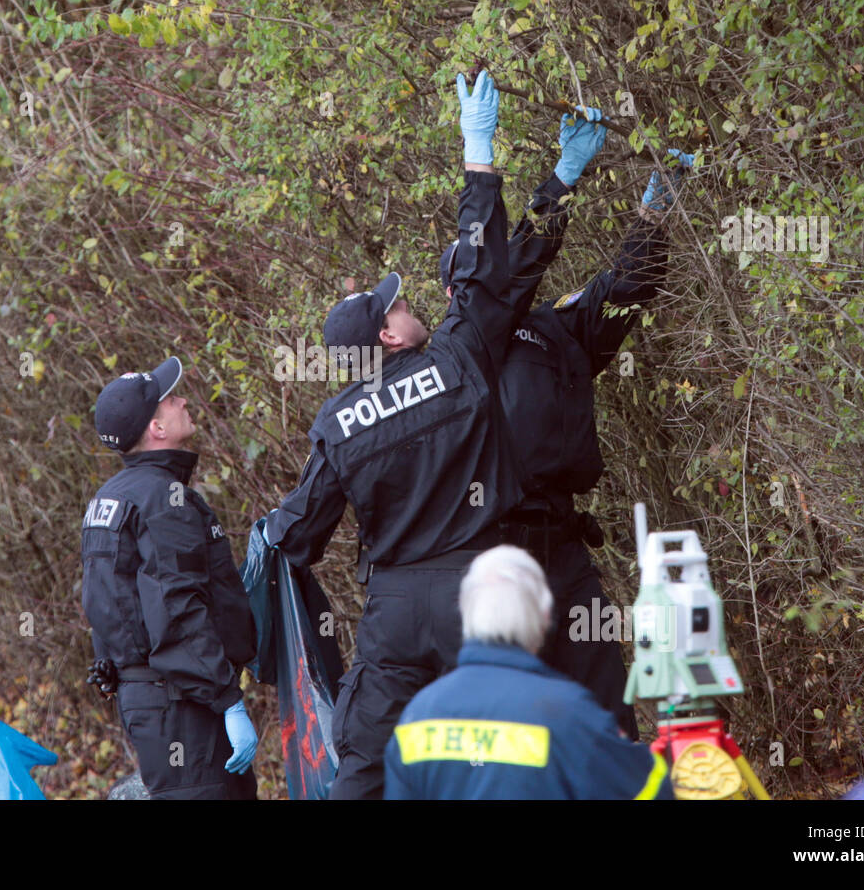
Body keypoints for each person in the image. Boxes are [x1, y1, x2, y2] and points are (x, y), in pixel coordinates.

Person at [263, 71, 609, 800]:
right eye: (399, 305)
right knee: (498, 751)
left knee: (362, 762)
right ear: (389, 334)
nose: (413, 302)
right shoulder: (457, 362)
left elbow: (298, 537)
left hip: (392, 612)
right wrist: (478, 151)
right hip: (469, 590)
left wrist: (264, 545)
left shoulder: (336, 422)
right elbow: (491, 268)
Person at [438, 146, 694, 740]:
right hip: (492, 552)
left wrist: (655, 213)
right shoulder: (460, 350)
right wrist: (560, 182)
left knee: (603, 699)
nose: (490, 285)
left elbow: (626, 289)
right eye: (474, 281)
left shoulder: (557, 329)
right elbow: (514, 268)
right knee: (514, 716)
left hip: (564, 548)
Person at [82, 357, 259, 799]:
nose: (181, 399)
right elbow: (177, 609)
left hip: (153, 700)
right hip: (185, 705)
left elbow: (107, 602)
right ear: (156, 429)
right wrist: (227, 699)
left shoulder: (112, 497)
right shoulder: (164, 498)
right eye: (169, 398)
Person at [383, 545, 673, 799]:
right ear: (545, 616)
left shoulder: (415, 719)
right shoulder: (571, 715)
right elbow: (651, 790)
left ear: (464, 614)